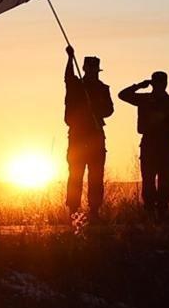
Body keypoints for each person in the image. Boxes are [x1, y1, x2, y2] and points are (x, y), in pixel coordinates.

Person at [119, 72, 169, 219]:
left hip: (165, 144)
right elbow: (123, 95)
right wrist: (139, 86)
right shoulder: (145, 99)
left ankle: (162, 211)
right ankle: (149, 211)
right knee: (148, 179)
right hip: (149, 143)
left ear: (165, 83)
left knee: (165, 179)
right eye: (157, 83)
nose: (160, 85)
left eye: (162, 82)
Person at [63, 46, 114, 223]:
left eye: (94, 69)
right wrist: (70, 58)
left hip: (95, 136)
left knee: (96, 175)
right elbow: (68, 77)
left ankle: (94, 210)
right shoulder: (77, 86)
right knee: (75, 174)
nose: (92, 72)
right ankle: (73, 210)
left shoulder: (103, 89)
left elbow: (109, 110)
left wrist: (96, 108)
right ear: (85, 69)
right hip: (78, 136)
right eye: (90, 69)